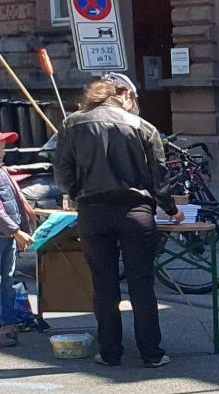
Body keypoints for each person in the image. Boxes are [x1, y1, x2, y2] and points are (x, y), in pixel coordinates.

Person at [53, 72, 177, 368]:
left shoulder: (73, 123)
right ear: (124, 96)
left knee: (104, 284)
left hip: (93, 212)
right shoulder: (142, 126)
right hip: (136, 212)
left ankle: (110, 352)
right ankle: (152, 353)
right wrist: (170, 208)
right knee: (141, 284)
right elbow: (158, 176)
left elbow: (62, 170)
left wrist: (76, 193)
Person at [0, 158, 39, 348]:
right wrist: (17, 232)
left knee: (7, 282)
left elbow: (15, 201)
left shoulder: (3, 171)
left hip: (6, 236)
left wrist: (21, 230)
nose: (2, 152)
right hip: (6, 233)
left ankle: (7, 326)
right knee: (3, 283)